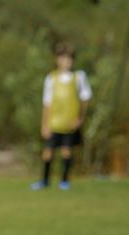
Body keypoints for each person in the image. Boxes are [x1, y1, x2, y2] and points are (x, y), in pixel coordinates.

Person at [31, 43, 91, 191]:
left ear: (73, 60)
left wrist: (80, 118)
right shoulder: (51, 78)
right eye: (62, 58)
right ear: (57, 60)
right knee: (48, 152)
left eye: (69, 59)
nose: (66, 62)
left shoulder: (79, 77)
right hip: (54, 122)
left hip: (69, 123)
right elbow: (47, 103)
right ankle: (44, 181)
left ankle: (64, 181)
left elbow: (85, 99)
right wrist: (44, 124)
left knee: (66, 151)